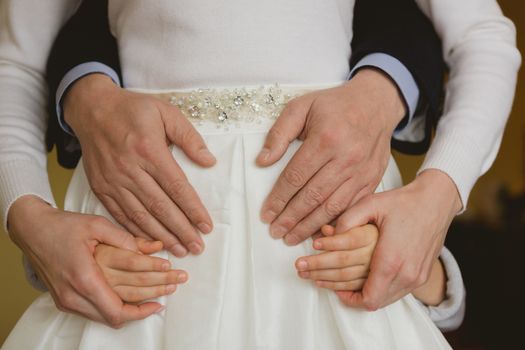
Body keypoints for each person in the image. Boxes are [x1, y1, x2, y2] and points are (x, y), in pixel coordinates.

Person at [0, 0, 520, 349]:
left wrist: (438, 193)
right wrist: (27, 214)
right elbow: (16, 63)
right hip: (138, 260)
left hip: (327, 251)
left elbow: (483, 37)